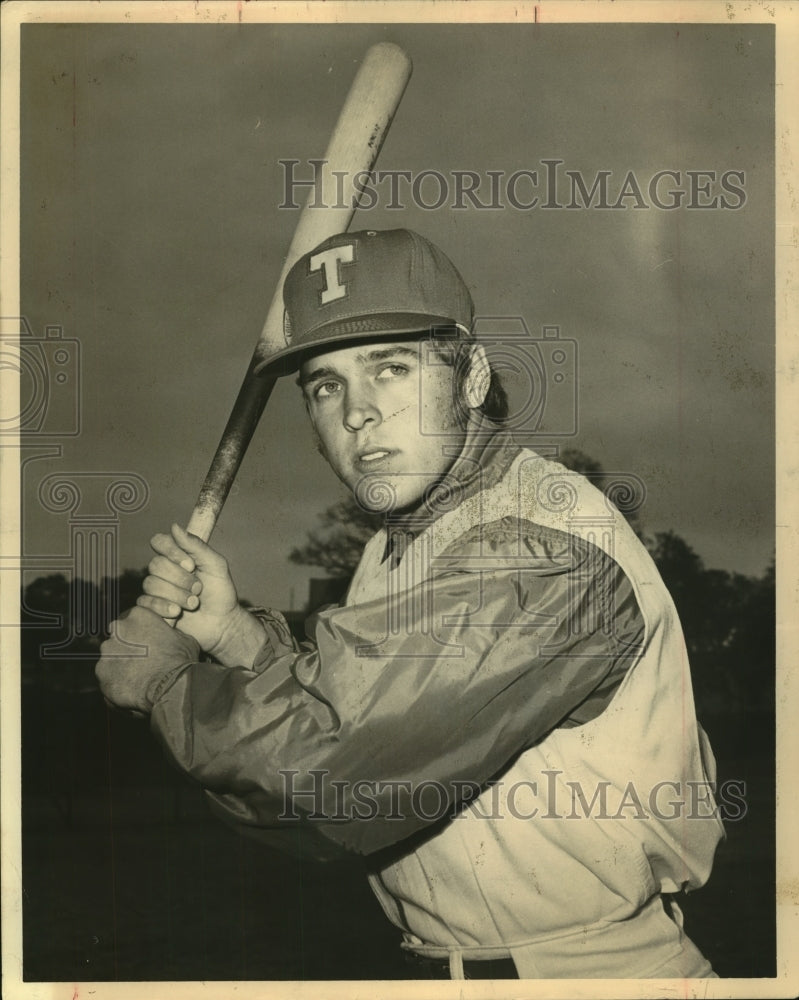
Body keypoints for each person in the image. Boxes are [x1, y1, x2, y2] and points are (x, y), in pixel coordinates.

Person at [97, 227, 724, 980]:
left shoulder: (544, 545)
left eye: (390, 368)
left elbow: (327, 774)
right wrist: (235, 635)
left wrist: (163, 681)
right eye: (325, 385)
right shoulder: (400, 542)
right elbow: (366, 699)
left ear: (469, 378)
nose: (356, 413)